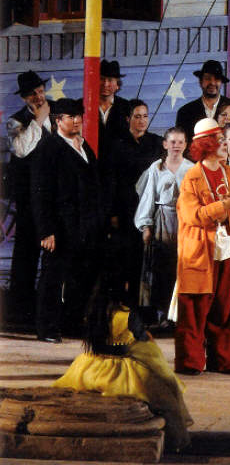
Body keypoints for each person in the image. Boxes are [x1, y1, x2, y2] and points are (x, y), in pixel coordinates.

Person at [54, 272, 193, 452]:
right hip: (121, 372)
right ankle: (177, 442)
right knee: (167, 396)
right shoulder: (127, 315)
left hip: (89, 367)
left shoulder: (94, 312)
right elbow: (142, 337)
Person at [174, 118, 230, 375]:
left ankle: (225, 361)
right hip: (199, 252)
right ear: (206, 145)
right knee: (194, 309)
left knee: (227, 307)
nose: (225, 145)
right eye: (220, 140)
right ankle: (190, 363)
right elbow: (192, 216)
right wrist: (224, 206)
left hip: (229, 250)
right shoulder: (191, 178)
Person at [32, 99, 105, 343]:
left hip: (85, 227)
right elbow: (40, 192)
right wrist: (46, 231)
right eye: (70, 117)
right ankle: (47, 328)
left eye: (78, 116)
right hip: (60, 227)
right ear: (57, 121)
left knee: (81, 276)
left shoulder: (85, 147)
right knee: (53, 277)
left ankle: (72, 323)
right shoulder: (48, 148)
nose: (76, 121)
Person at [6, 70, 56, 326]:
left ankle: (49, 311)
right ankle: (20, 312)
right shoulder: (15, 121)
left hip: (56, 195)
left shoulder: (59, 112)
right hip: (29, 197)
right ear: (24, 98)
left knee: (55, 254)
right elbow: (21, 149)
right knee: (26, 253)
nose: (38, 97)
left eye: (40, 91)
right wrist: (39, 120)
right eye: (32, 94)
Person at [134, 127, 194, 326]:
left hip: (185, 223)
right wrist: (146, 226)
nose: (176, 146)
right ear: (165, 144)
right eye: (173, 142)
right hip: (162, 221)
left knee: (182, 267)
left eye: (180, 142)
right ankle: (161, 313)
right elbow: (148, 196)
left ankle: (178, 314)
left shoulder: (192, 169)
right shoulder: (156, 168)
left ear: (186, 145)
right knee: (161, 267)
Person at [112, 99, 164, 309]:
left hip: (151, 209)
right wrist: (113, 213)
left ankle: (147, 308)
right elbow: (112, 181)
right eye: (137, 116)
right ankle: (124, 305)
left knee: (149, 258)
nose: (142, 121)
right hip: (126, 209)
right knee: (127, 258)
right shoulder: (117, 144)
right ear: (128, 119)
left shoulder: (157, 143)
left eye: (145, 116)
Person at [175, 59, 230, 138]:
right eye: (208, 78)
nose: (212, 83)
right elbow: (181, 142)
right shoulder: (185, 112)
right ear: (200, 82)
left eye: (217, 79)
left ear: (221, 82)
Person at [95, 59, 131, 158]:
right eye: (102, 79)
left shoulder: (127, 107)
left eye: (110, 80)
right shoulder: (82, 105)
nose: (105, 84)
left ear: (117, 85)